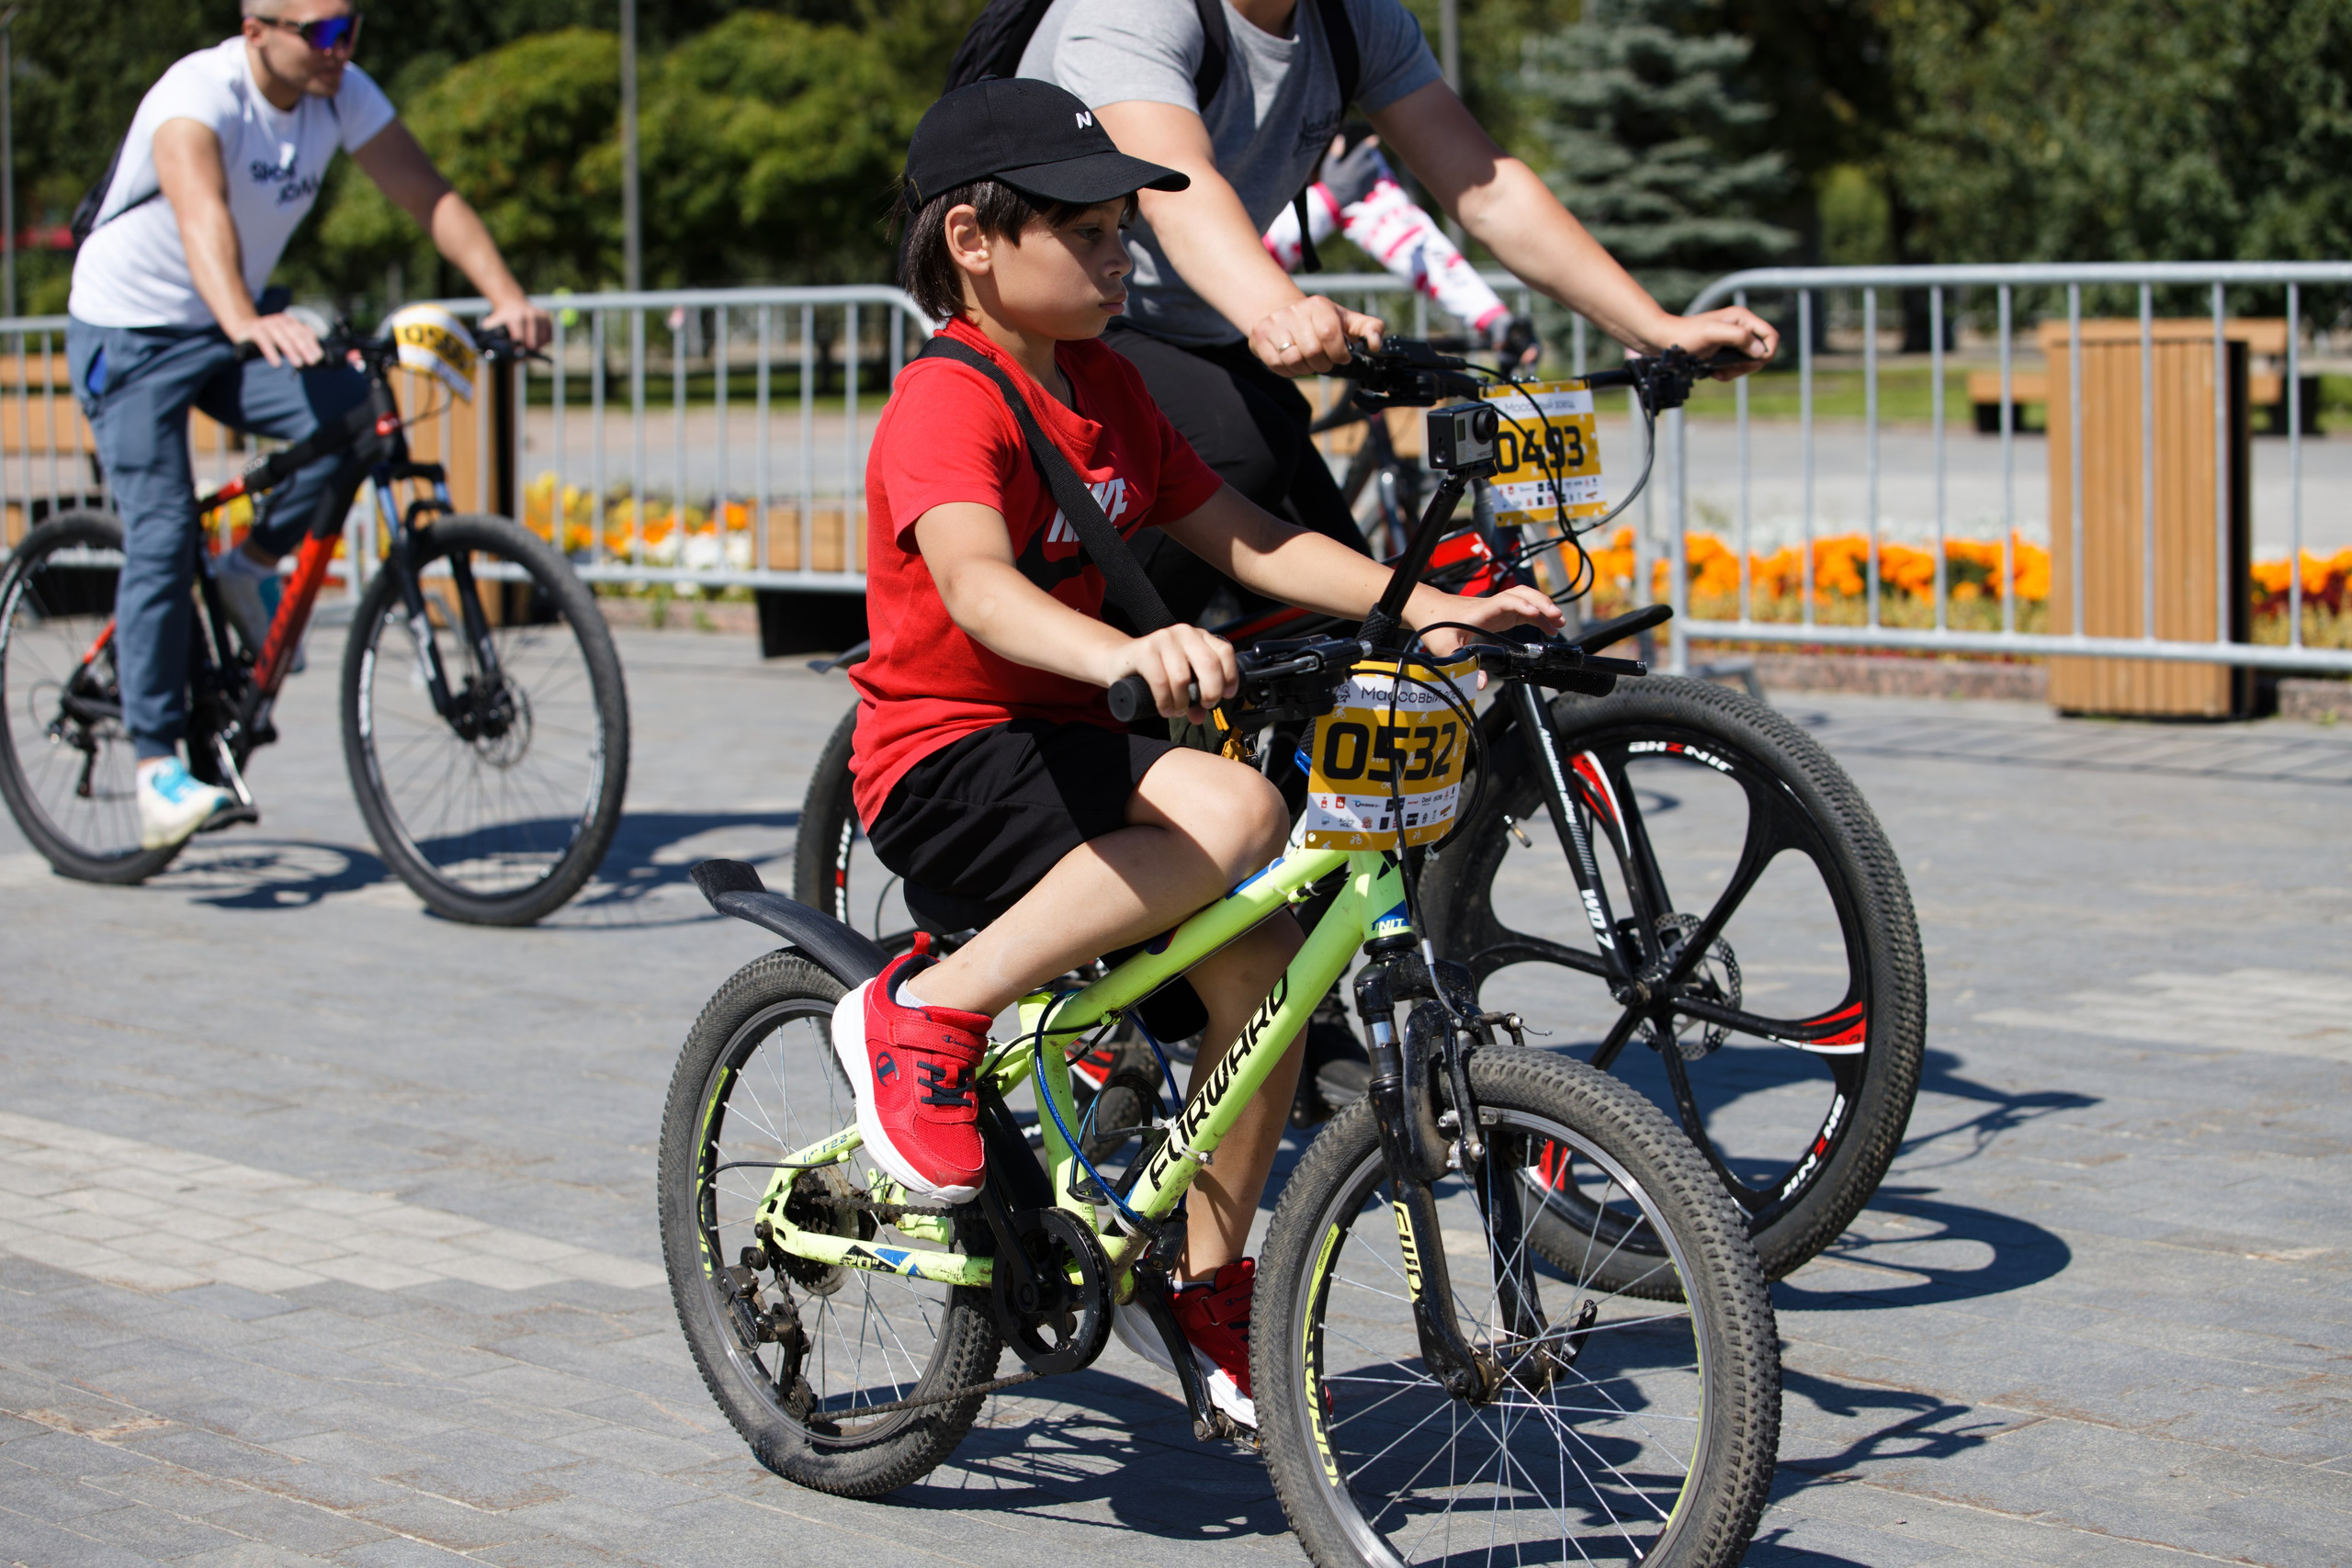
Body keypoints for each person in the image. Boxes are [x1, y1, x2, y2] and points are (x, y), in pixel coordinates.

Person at [839, 77, 1562, 1427]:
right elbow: (978, 588)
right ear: (973, 243)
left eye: (1123, 229)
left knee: (1269, 976)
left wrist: (1431, 605)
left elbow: (1250, 534)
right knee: (1236, 809)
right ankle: (927, 1009)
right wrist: (1124, 649)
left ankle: (1205, 1279)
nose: (1122, 257)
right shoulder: (949, 399)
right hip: (948, 759)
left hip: (1069, 749)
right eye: (1088, 233)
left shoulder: (1106, 384)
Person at [1014, 0, 1777, 619]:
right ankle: (1070, 701)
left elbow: (1486, 188)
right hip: (1073, 324)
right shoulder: (1134, 12)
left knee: (1358, 616)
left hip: (1211, 324)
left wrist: (1658, 328)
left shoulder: (1354, 22)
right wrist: (1281, 309)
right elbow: (1179, 188)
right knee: (1237, 446)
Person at [66, 0, 552, 851]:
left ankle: (249, 566)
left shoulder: (342, 93)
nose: (341, 48)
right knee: (164, 526)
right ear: (257, 30)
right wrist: (244, 317)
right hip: (131, 332)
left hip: (231, 322)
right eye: (322, 31)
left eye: (351, 27)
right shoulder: (197, 95)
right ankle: (155, 768)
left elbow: (428, 194)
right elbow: (202, 215)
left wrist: (507, 295)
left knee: (358, 418)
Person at [1261, 124, 1524, 356]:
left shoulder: (1343, 155)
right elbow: (1240, 264)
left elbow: (1409, 242)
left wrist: (1492, 316)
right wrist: (1327, 201)